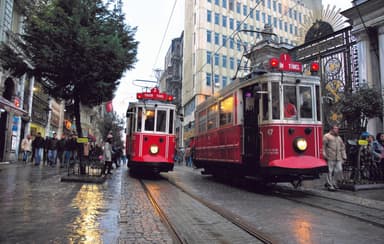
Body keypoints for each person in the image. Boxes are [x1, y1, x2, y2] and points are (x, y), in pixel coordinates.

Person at [323, 124, 347, 191]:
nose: (337, 130)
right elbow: (323, 146)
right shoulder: (326, 136)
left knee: (339, 170)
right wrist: (324, 155)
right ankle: (330, 185)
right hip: (330, 157)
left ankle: (334, 183)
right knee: (330, 171)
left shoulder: (339, 138)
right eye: (335, 128)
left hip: (338, 157)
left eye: (337, 129)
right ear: (332, 129)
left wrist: (344, 156)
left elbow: (342, 147)